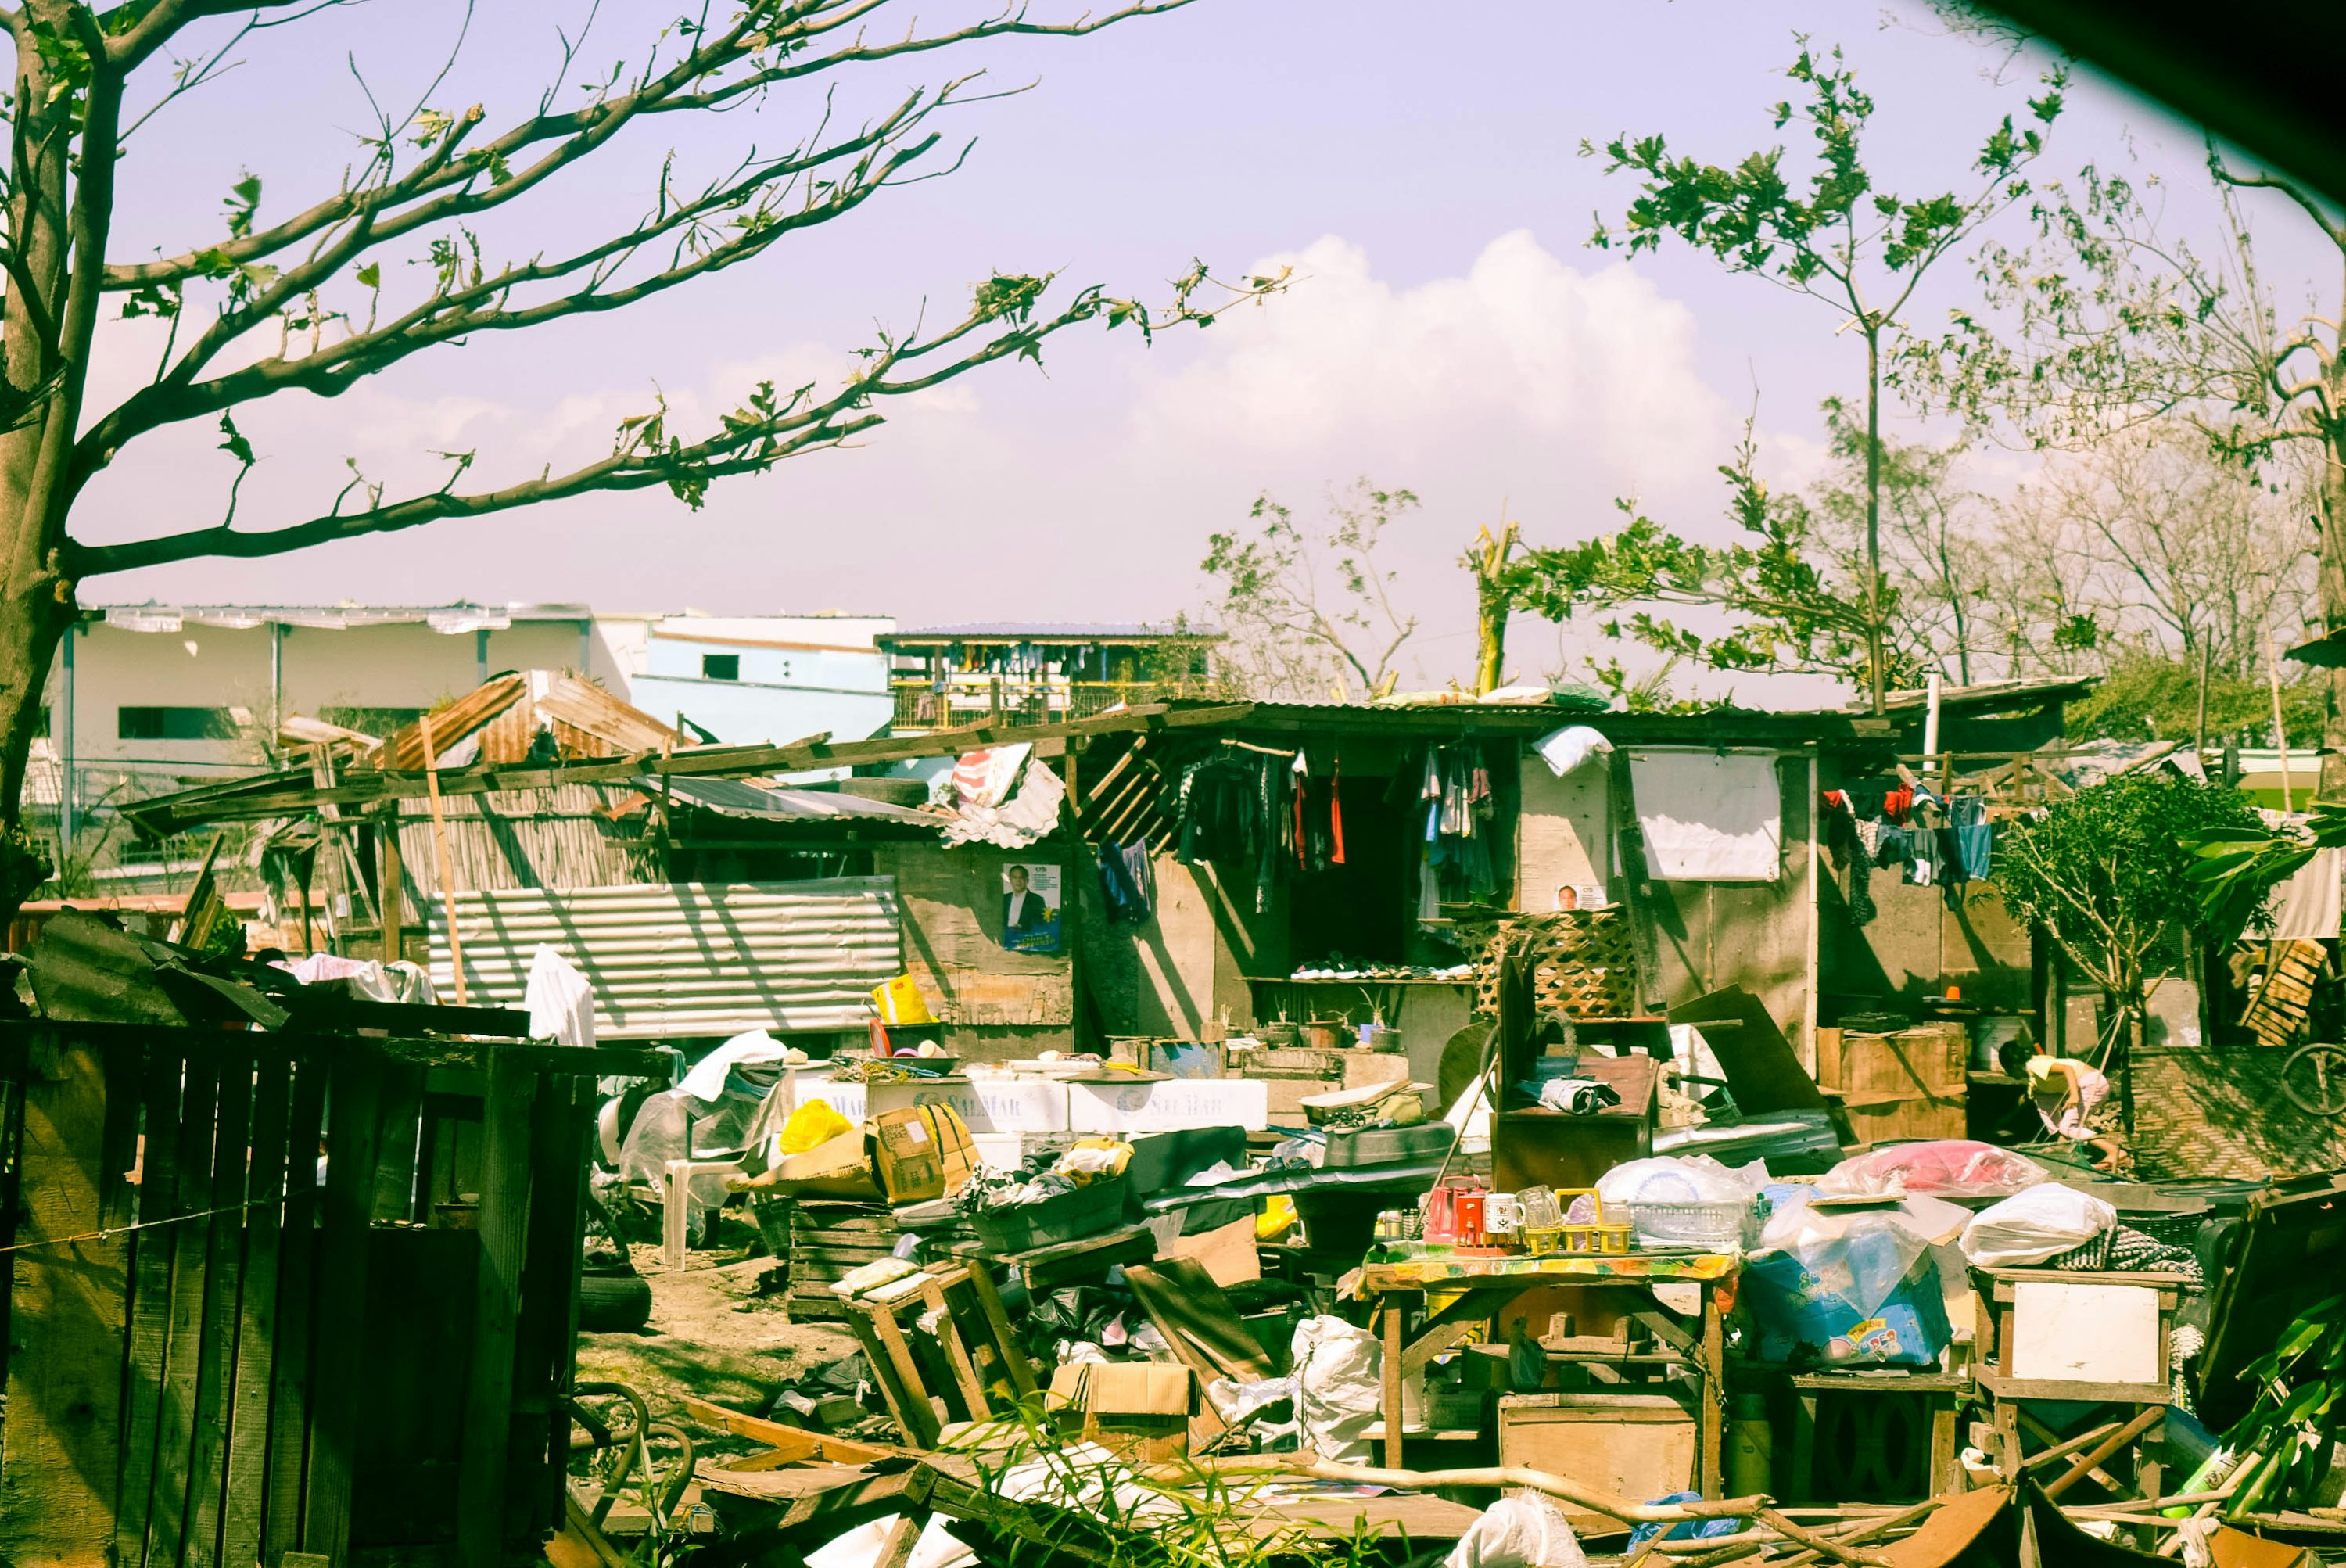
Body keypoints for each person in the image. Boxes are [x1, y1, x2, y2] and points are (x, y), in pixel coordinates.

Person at [2026, 1054, 2128, 1172]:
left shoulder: (2033, 1065)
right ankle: (2063, 1144)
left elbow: (2067, 1069)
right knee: (2041, 1094)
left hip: (2092, 1084)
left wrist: (2074, 1095)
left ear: (2014, 1065)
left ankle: (2114, 1150)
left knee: (2069, 1127)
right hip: (2087, 1085)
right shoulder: (2035, 1077)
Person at [1003, 865, 1049, 943]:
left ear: (1027, 880)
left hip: (1025, 940)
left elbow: (1042, 923)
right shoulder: (1004, 898)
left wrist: (1023, 927)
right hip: (1005, 940)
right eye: (1015, 878)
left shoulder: (1037, 900)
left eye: (1021, 878)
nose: (1018, 881)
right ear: (1010, 880)